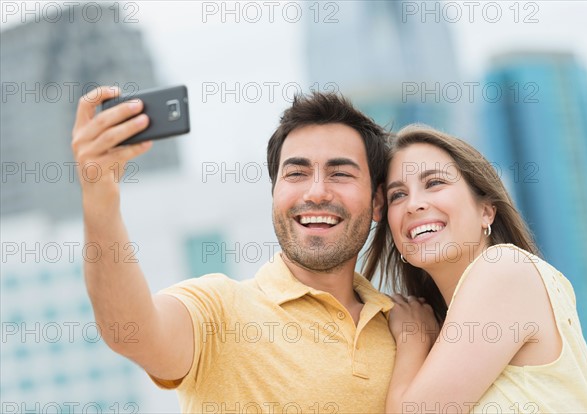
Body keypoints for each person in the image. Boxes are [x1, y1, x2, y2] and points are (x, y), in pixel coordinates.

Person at [71, 87, 397, 412]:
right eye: (296, 173)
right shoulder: (221, 311)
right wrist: (99, 196)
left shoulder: (403, 327)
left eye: (340, 173)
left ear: (378, 202)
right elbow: (130, 332)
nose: (315, 192)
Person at [363, 124, 587, 413]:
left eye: (434, 183)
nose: (413, 205)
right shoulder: (451, 332)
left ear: (486, 211)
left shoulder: (504, 269)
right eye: (397, 195)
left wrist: (413, 338)